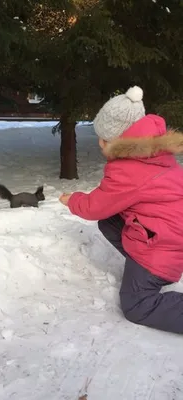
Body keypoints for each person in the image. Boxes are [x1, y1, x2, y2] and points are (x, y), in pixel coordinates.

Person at [59, 86, 183, 334]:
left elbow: (95, 206)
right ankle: (141, 266)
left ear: (118, 142)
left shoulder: (127, 169)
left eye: (103, 139)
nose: (99, 143)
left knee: (137, 305)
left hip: (163, 244)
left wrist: (72, 200)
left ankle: (147, 275)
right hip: (171, 229)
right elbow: (113, 202)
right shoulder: (153, 155)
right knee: (109, 221)